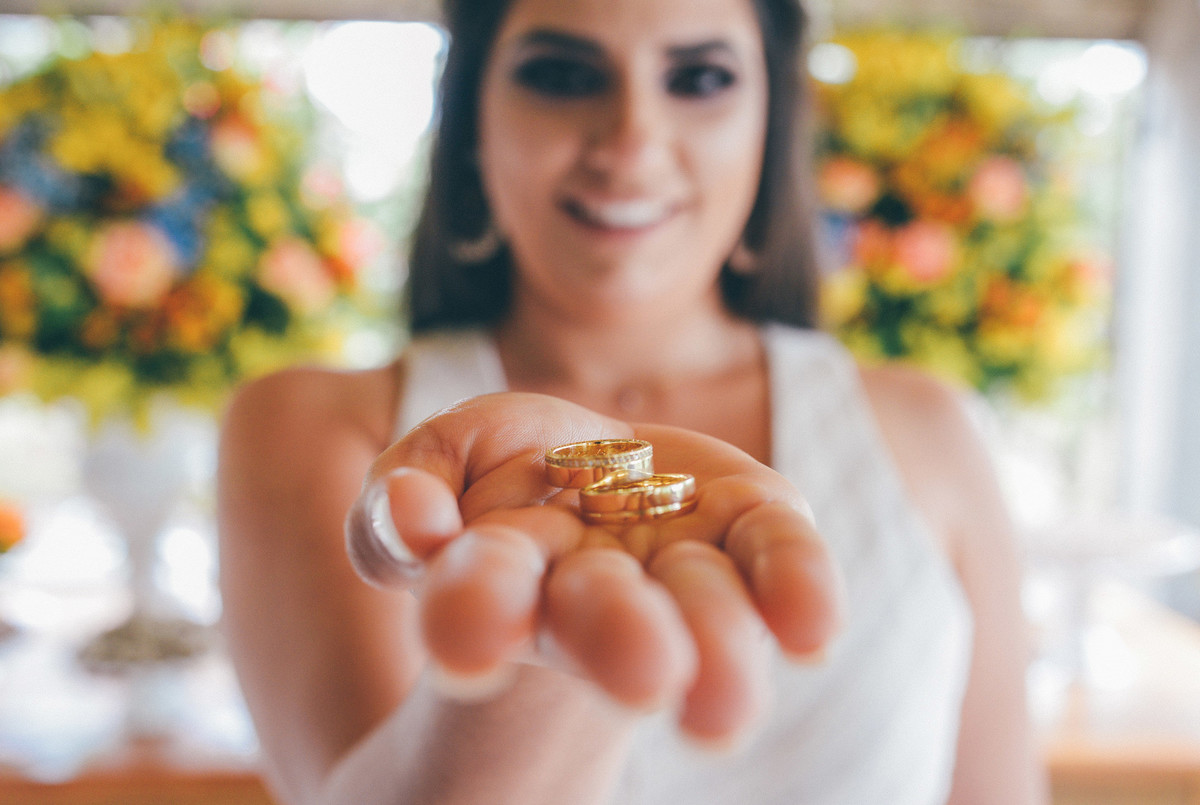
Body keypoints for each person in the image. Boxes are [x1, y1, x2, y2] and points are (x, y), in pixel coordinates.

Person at [216, 0, 1049, 802]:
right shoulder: (306, 425)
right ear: (472, 118)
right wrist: (547, 657)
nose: (631, 142)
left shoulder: (930, 430)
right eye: (563, 74)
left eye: (698, 79)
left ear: (771, 122)